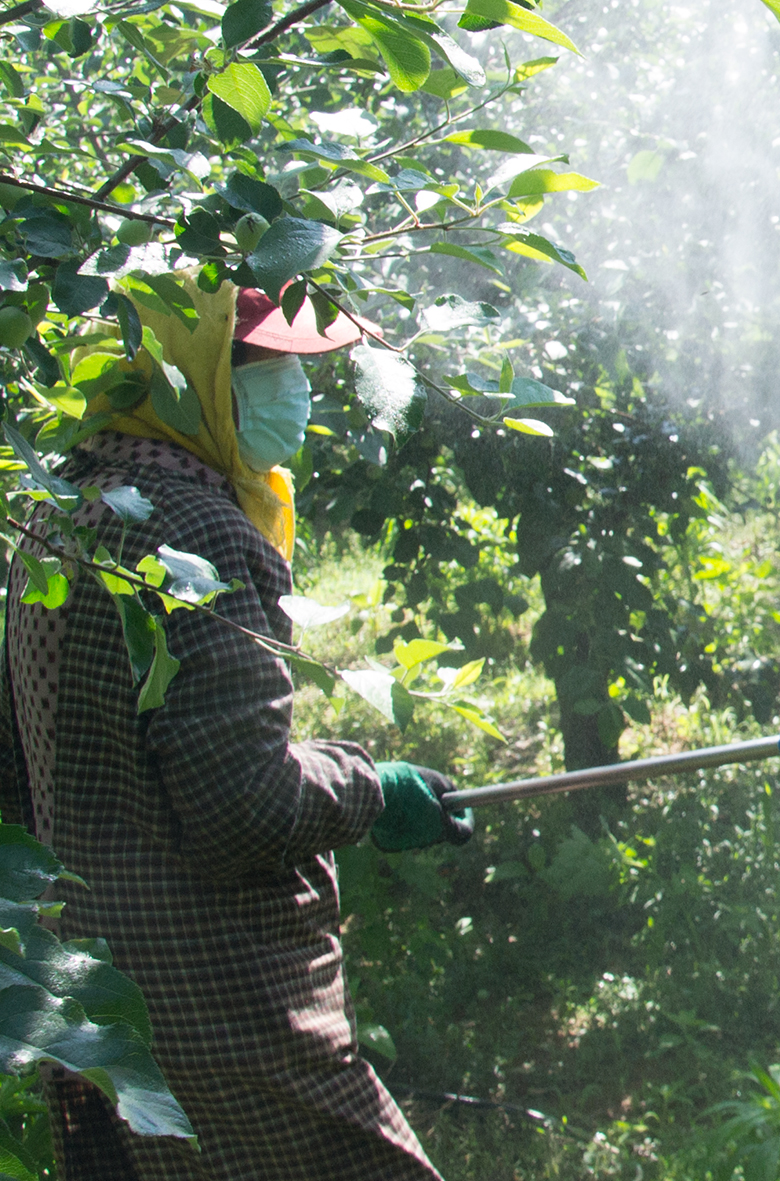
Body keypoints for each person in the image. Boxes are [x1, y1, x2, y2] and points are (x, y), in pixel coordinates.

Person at [0, 275, 471, 1179]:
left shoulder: (59, 508)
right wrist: (371, 789)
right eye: (265, 369)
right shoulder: (193, 533)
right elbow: (243, 807)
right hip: (220, 1009)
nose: (297, 394)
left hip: (97, 1005)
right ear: (196, 374)